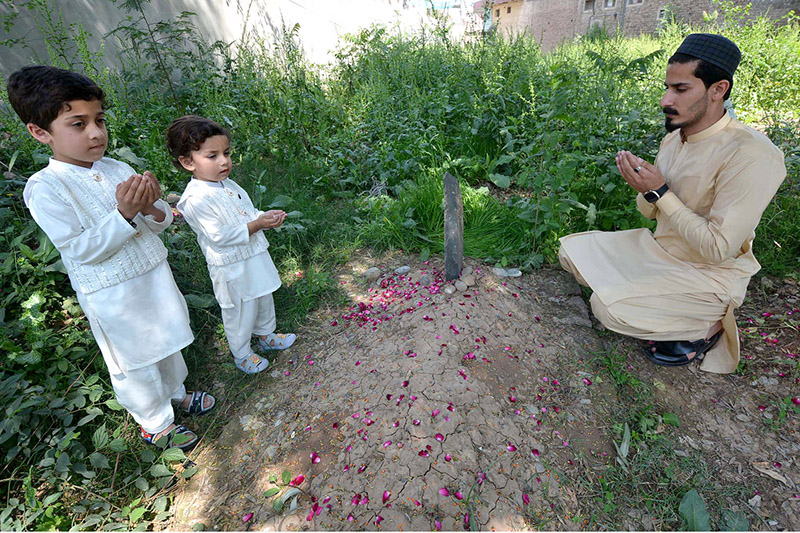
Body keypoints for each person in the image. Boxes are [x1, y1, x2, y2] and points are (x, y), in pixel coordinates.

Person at [8, 66, 214, 450]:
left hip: (152, 274)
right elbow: (82, 249)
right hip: (112, 294)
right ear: (40, 132)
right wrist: (122, 214)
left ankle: (176, 392)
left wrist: (151, 207)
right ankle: (155, 422)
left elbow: (160, 221)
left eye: (99, 120)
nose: (95, 132)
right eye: (78, 123)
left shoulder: (116, 167)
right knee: (134, 362)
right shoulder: (46, 188)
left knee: (166, 341)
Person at [558, 34, 786, 373]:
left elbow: (717, 249)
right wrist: (645, 188)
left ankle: (704, 327)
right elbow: (650, 211)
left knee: (608, 310)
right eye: (667, 88)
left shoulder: (752, 154)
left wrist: (661, 192)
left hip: (708, 275)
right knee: (569, 252)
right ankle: (650, 295)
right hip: (661, 253)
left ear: (718, 89)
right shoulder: (674, 138)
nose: (666, 99)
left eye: (680, 90)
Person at [168, 115, 296, 374]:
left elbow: (244, 212)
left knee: (261, 296)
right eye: (212, 156)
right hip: (230, 265)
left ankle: (266, 334)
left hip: (252, 254)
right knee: (239, 308)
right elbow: (219, 236)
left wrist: (262, 217)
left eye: (226, 152)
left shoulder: (227, 184)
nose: (224, 161)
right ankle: (242, 352)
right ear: (187, 162)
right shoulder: (195, 199)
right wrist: (257, 225)